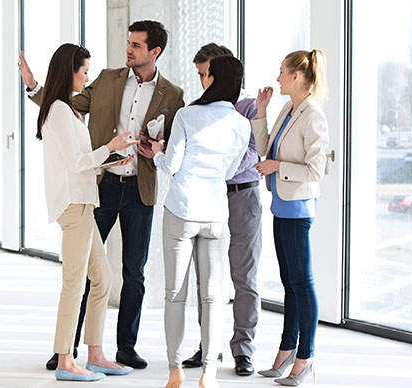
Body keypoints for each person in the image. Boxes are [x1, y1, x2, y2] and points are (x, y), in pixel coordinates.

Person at [19, 20, 185, 370]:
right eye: (128, 42)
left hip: (139, 187)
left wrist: (155, 148)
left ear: (154, 51)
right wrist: (35, 87)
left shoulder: (172, 94)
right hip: (100, 186)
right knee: (81, 276)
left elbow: (172, 145)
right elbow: (64, 105)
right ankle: (67, 351)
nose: (128, 49)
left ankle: (121, 348)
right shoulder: (107, 79)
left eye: (136, 45)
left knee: (129, 273)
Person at [138, 55, 250, 388]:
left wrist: (156, 152)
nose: (202, 79)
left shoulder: (188, 114)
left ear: (214, 79)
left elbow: (171, 166)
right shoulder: (241, 124)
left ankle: (175, 371)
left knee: (176, 295)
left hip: (182, 209)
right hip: (216, 214)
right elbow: (230, 172)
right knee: (213, 297)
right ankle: (209, 373)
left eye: (206, 75)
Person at [36, 43, 137, 382]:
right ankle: (66, 360)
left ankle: (94, 354)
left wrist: (110, 158)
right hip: (74, 206)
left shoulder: (68, 110)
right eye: (84, 71)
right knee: (74, 283)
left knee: (103, 279)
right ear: (70, 71)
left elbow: (82, 161)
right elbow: (76, 162)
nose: (87, 77)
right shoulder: (60, 111)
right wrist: (110, 148)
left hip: (84, 203)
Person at [179, 43, 262, 377]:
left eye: (208, 74)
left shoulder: (251, 107)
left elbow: (255, 153)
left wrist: (221, 164)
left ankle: (243, 351)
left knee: (244, 277)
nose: (204, 82)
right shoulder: (197, 110)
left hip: (243, 197)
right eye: (200, 75)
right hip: (208, 197)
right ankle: (207, 346)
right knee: (207, 278)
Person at [251, 49, 330, 387]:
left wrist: (278, 167)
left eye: (282, 72)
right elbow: (264, 148)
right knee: (289, 283)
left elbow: (317, 169)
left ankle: (306, 357)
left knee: (302, 283)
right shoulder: (288, 108)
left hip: (298, 208)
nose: (278, 77)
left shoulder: (312, 115)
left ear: (298, 75)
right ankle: (286, 351)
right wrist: (262, 112)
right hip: (281, 205)